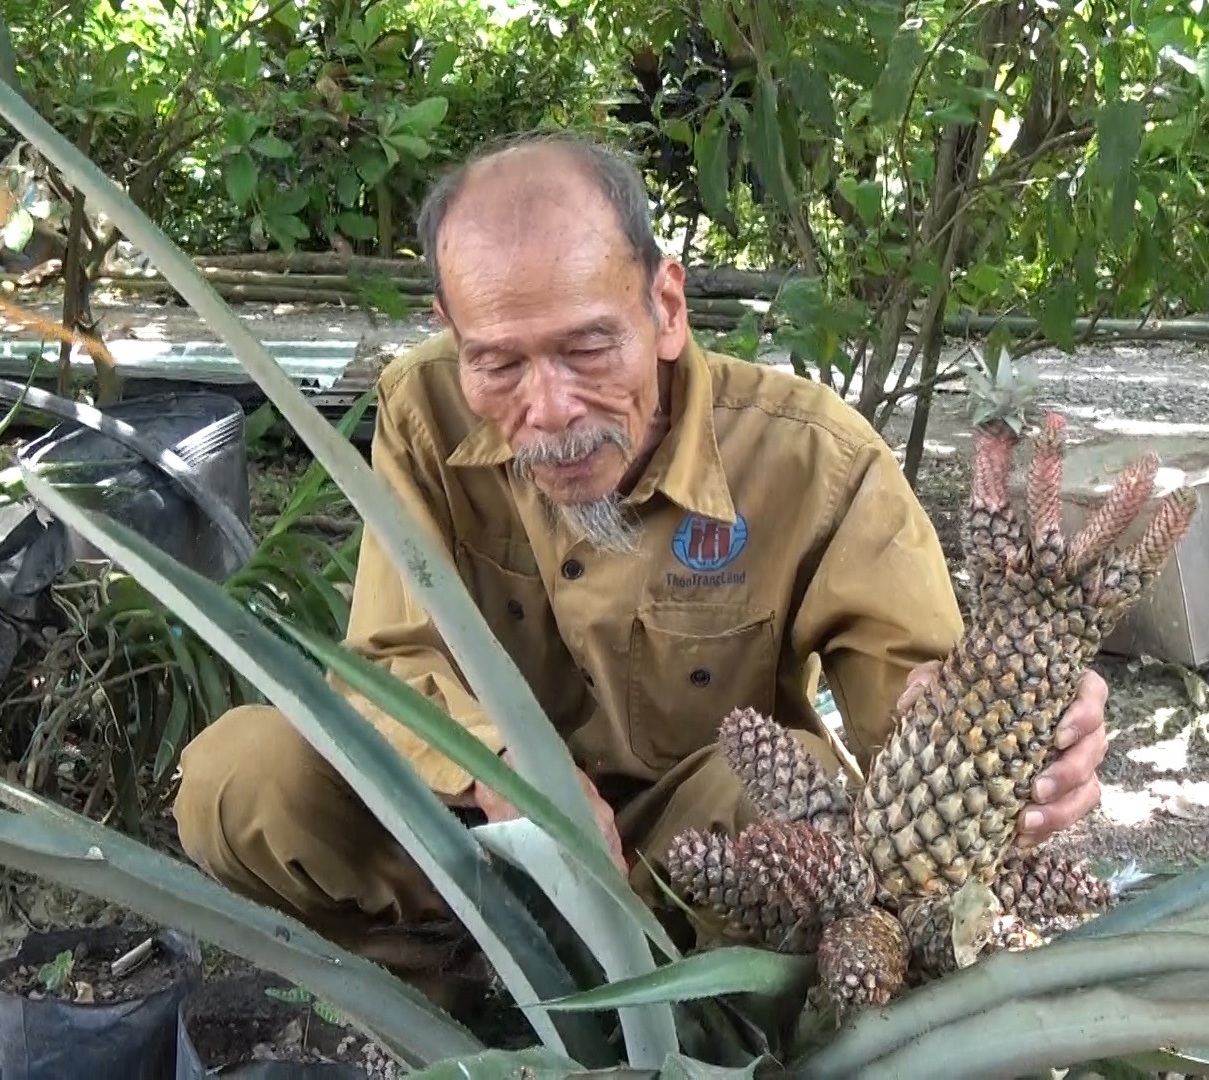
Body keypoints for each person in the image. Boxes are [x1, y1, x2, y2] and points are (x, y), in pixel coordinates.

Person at [172, 130, 1110, 1009]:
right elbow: (390, 656)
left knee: (791, 795)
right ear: (453, 332)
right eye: (497, 363)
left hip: (697, 862)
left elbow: (911, 699)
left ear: (666, 307)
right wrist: (512, 775)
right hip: (478, 835)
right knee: (244, 778)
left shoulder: (815, 463)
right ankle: (466, 996)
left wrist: (1006, 731)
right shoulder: (422, 411)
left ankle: (703, 1013)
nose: (549, 408)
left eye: (586, 349)